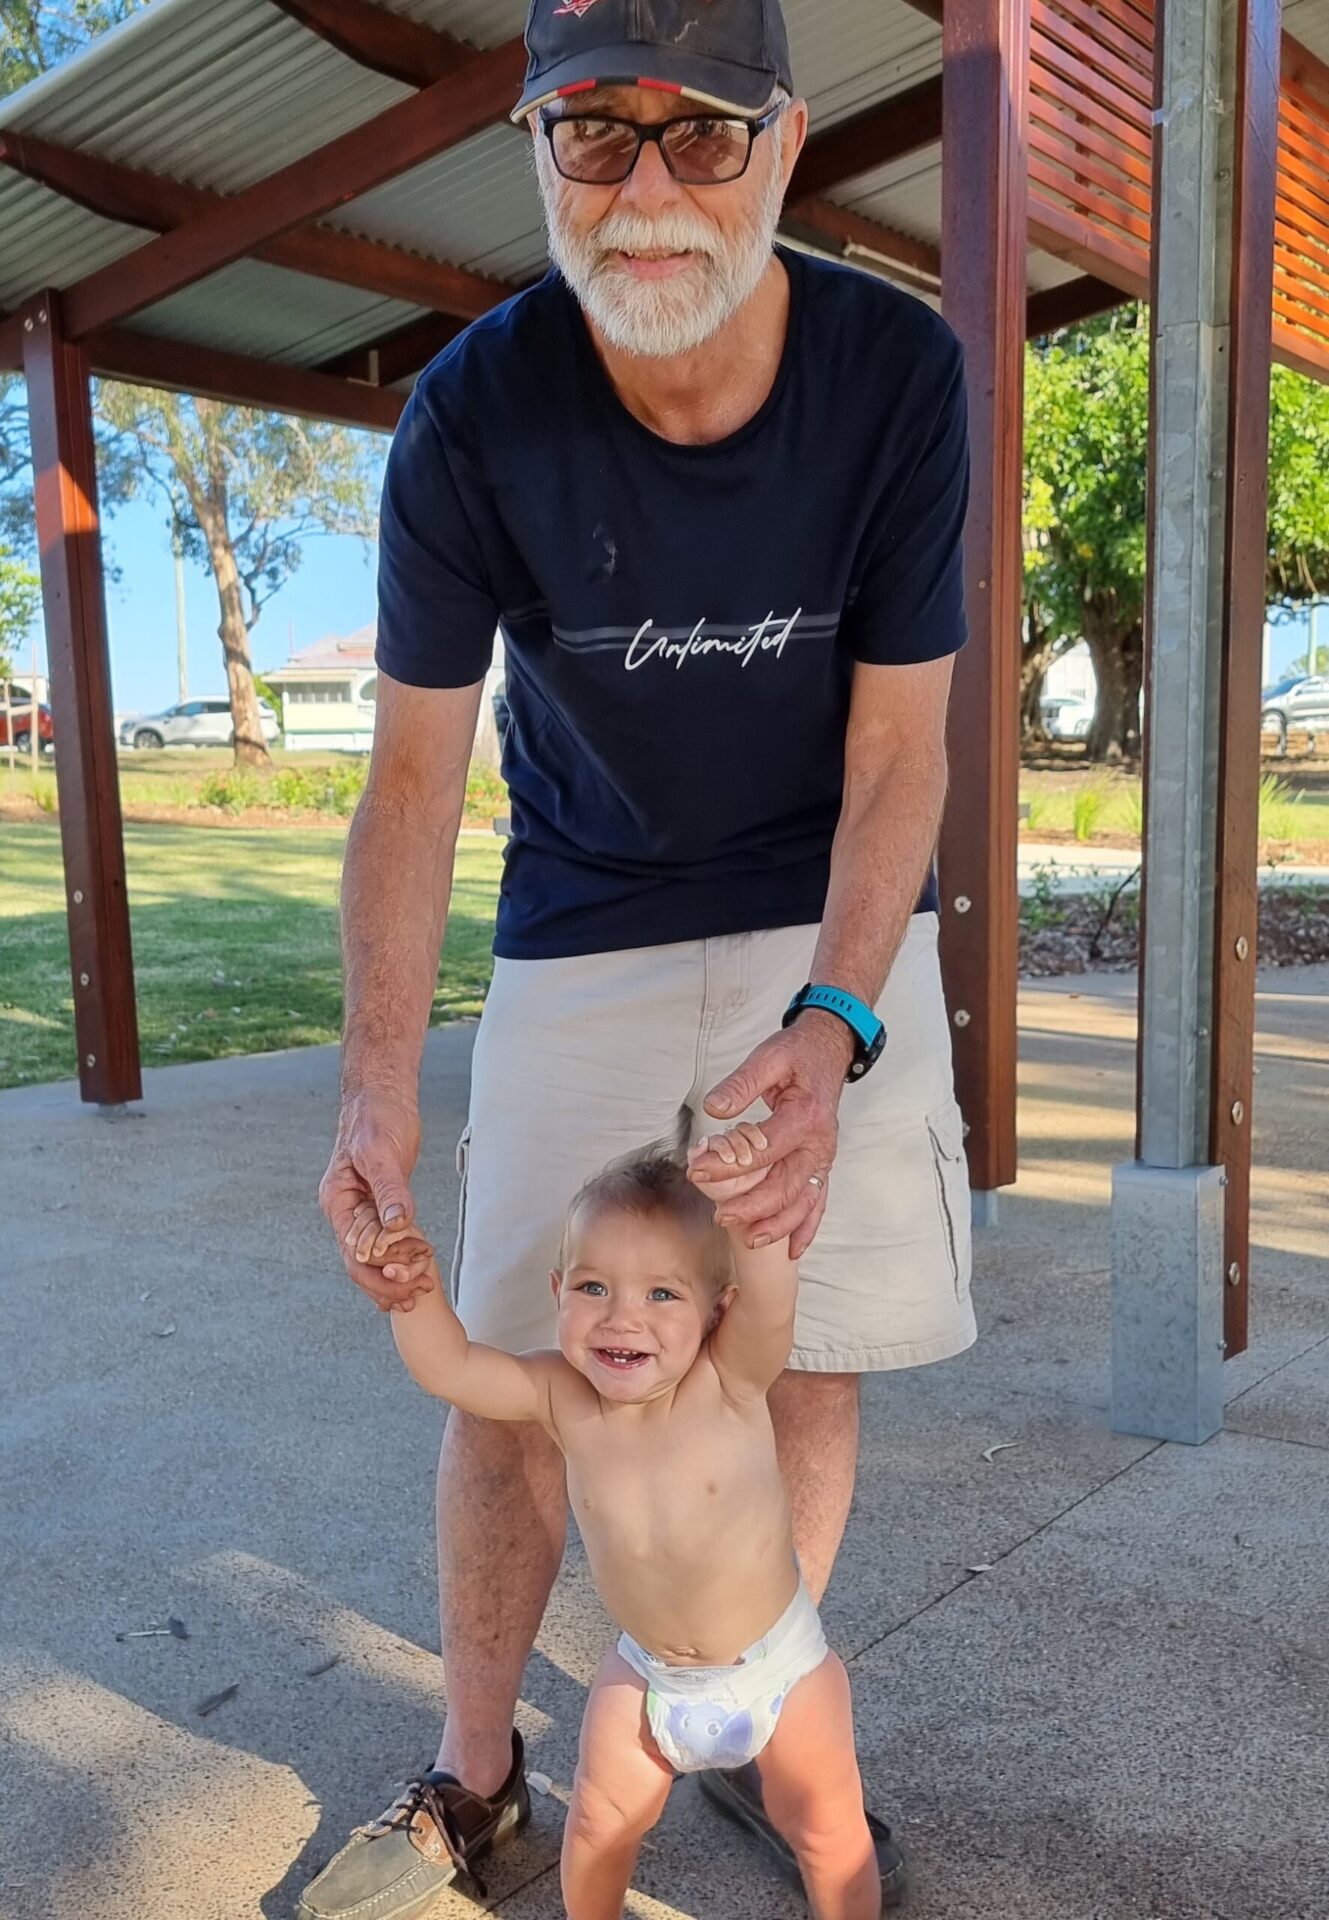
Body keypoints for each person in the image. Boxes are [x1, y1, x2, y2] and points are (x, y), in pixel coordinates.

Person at [306, 0, 975, 1913]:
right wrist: (371, 1081)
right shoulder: (471, 413)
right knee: (518, 1375)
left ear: (781, 148)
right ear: (534, 157)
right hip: (583, 910)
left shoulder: (892, 372)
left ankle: (747, 1713)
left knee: (811, 1347)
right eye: (593, 135)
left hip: (822, 907)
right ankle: (472, 1776)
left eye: (699, 132)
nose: (648, 185)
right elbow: (416, 780)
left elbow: (898, 746)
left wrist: (835, 1022)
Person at [348, 1120, 880, 1920]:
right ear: (558, 1293)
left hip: (778, 1676)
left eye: (662, 1294)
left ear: (715, 1309)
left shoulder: (731, 1380)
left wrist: (750, 1206)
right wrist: (412, 1294)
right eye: (594, 1288)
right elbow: (450, 1369)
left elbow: (771, 1298)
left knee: (829, 1838)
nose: (621, 1318)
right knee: (597, 1823)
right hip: (650, 1676)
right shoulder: (561, 1395)